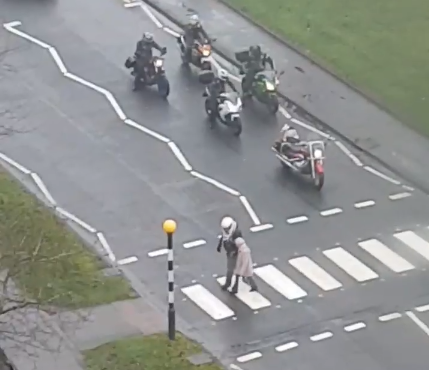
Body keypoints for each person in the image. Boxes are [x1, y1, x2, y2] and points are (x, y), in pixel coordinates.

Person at [216, 216, 243, 291]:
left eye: (227, 229)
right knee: (230, 269)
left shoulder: (236, 233)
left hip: (236, 253)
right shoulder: (226, 232)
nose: (226, 230)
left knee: (236, 269)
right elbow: (223, 237)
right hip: (229, 252)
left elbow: (240, 244)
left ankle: (235, 286)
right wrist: (219, 245)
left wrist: (234, 252)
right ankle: (228, 283)